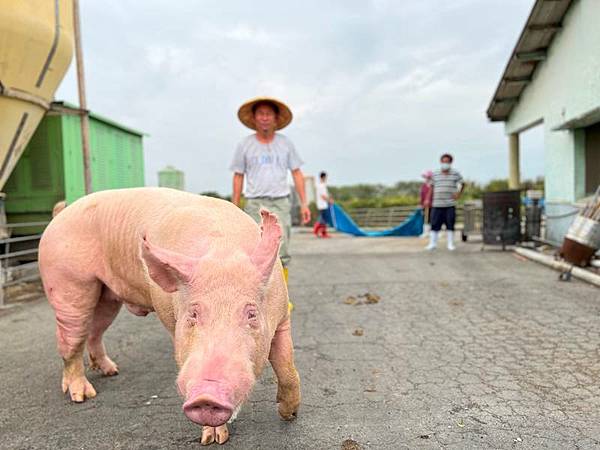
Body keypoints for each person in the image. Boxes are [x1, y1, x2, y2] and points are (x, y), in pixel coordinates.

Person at [230, 96, 311, 291]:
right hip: (254, 202)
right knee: (253, 248)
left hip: (280, 202)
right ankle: (255, 295)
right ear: (254, 118)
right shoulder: (244, 145)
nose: (265, 117)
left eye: (269, 114)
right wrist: (234, 206)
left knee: (281, 249)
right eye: (261, 114)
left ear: (275, 118)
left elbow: (297, 173)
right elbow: (238, 176)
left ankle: (281, 299)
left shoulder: (285, 144)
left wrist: (304, 203)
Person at [425, 153, 464, 251]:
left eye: (447, 162)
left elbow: (463, 183)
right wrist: (427, 199)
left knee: (450, 224)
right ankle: (432, 243)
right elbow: (431, 187)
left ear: (451, 163)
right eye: (444, 161)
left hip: (450, 204)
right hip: (437, 204)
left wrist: (458, 194)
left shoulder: (455, 173)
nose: (445, 163)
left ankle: (450, 244)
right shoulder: (435, 173)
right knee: (434, 224)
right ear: (441, 162)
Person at [313, 171, 333, 238]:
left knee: (323, 219)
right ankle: (318, 231)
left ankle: (322, 232)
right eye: (326, 177)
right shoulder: (321, 186)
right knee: (323, 219)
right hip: (323, 204)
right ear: (323, 177)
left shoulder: (320, 185)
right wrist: (329, 200)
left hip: (322, 204)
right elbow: (323, 196)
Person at [420, 170, 433, 237]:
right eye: (426, 177)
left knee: (433, 219)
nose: (427, 179)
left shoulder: (433, 186)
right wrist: (421, 204)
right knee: (425, 219)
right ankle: (425, 232)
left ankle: (433, 232)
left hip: (433, 205)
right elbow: (421, 196)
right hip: (425, 206)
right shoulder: (423, 186)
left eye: (428, 177)